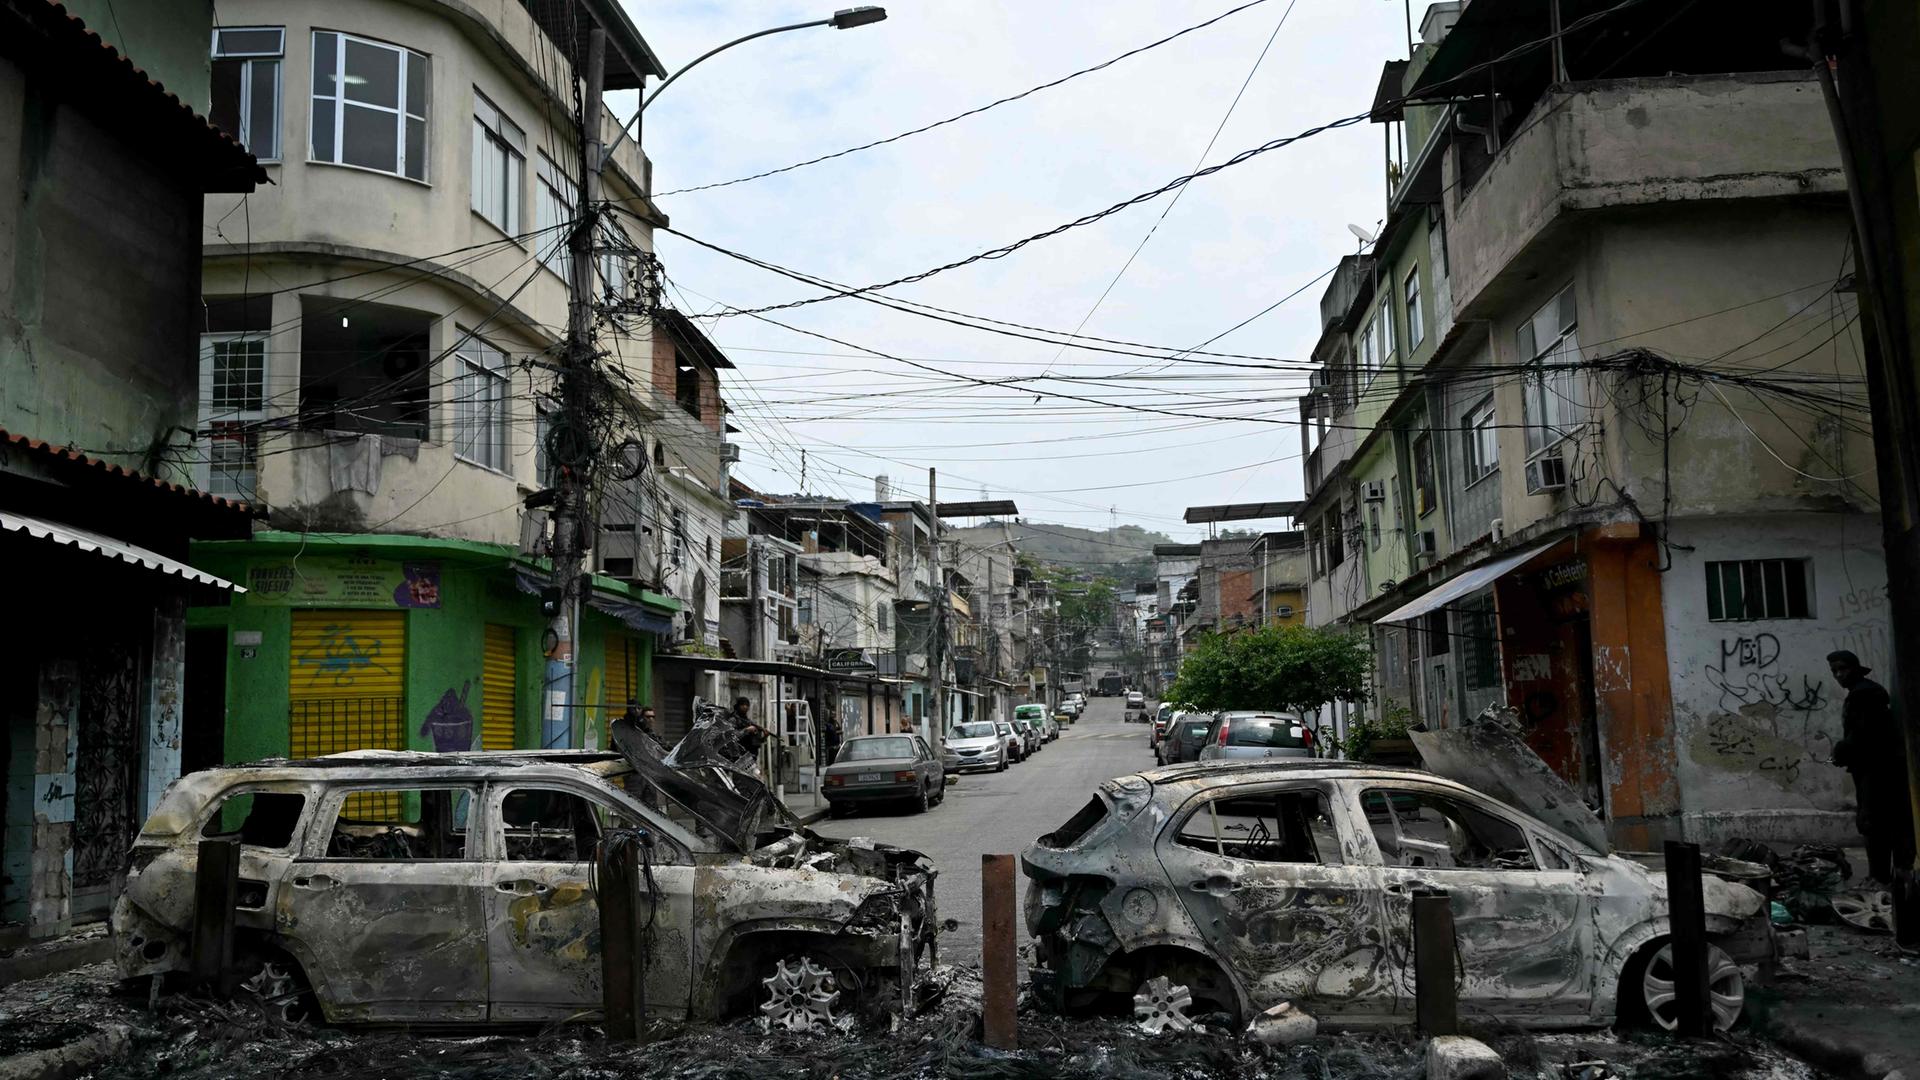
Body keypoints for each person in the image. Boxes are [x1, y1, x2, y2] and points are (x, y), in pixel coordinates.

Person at [1829, 649, 1915, 884]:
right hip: (1875, 767)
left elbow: (1864, 735)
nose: (1838, 675)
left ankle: (1879, 877)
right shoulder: (1864, 692)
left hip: (1877, 769)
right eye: (1835, 671)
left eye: (1843, 669)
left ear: (1855, 668)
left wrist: (1841, 750)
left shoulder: (1864, 695)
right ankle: (1887, 874)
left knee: (1873, 823)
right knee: (1880, 822)